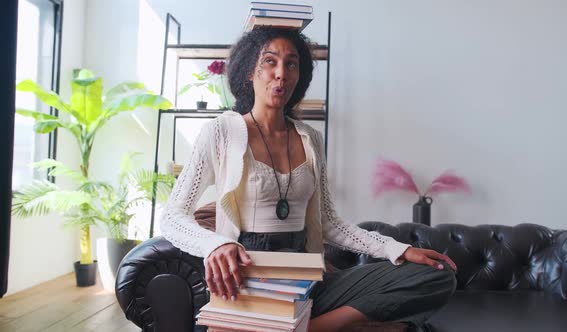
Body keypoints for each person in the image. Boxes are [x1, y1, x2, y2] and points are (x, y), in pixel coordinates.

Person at [160, 27, 457, 332]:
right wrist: (216, 245)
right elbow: (172, 216)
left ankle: (308, 327)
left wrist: (398, 249)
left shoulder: (311, 139)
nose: (281, 74)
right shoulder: (221, 132)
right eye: (270, 62)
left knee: (438, 275)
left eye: (291, 64)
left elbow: (329, 221)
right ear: (250, 70)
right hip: (249, 274)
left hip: (304, 274)